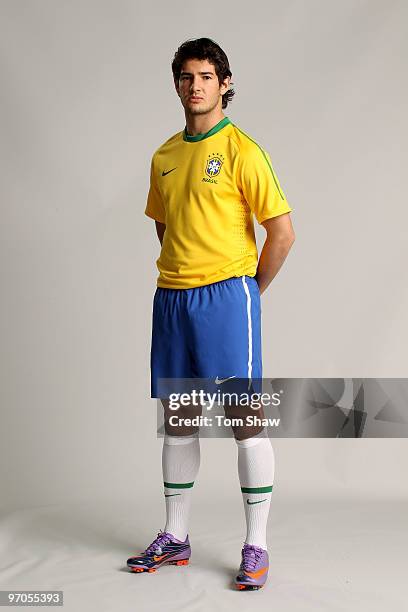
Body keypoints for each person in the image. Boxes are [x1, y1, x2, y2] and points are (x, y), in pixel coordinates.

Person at [127, 37, 295, 591]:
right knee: (179, 423)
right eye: (185, 76)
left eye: (205, 75)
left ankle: (256, 546)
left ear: (224, 83)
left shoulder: (244, 150)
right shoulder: (165, 156)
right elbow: (165, 226)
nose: (195, 85)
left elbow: (282, 233)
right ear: (176, 84)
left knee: (246, 422)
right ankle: (176, 537)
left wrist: (247, 293)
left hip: (227, 297)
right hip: (172, 298)